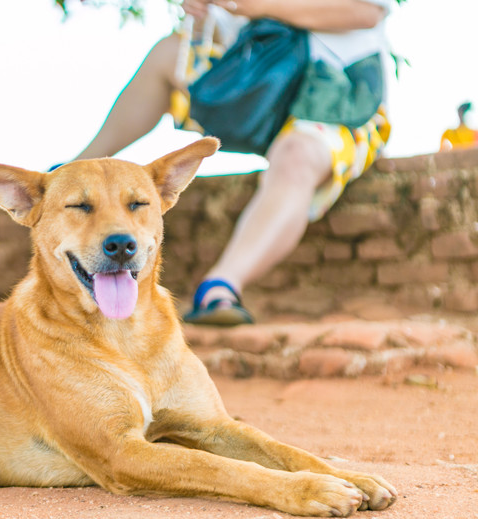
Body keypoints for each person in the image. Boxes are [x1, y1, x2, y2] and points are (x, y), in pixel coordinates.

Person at [70, 0, 393, 326]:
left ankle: (221, 287)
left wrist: (253, 5)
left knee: (297, 157)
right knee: (169, 53)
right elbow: (218, 31)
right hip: (258, 85)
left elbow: (367, 12)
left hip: (339, 94)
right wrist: (202, 15)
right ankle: (75, 170)